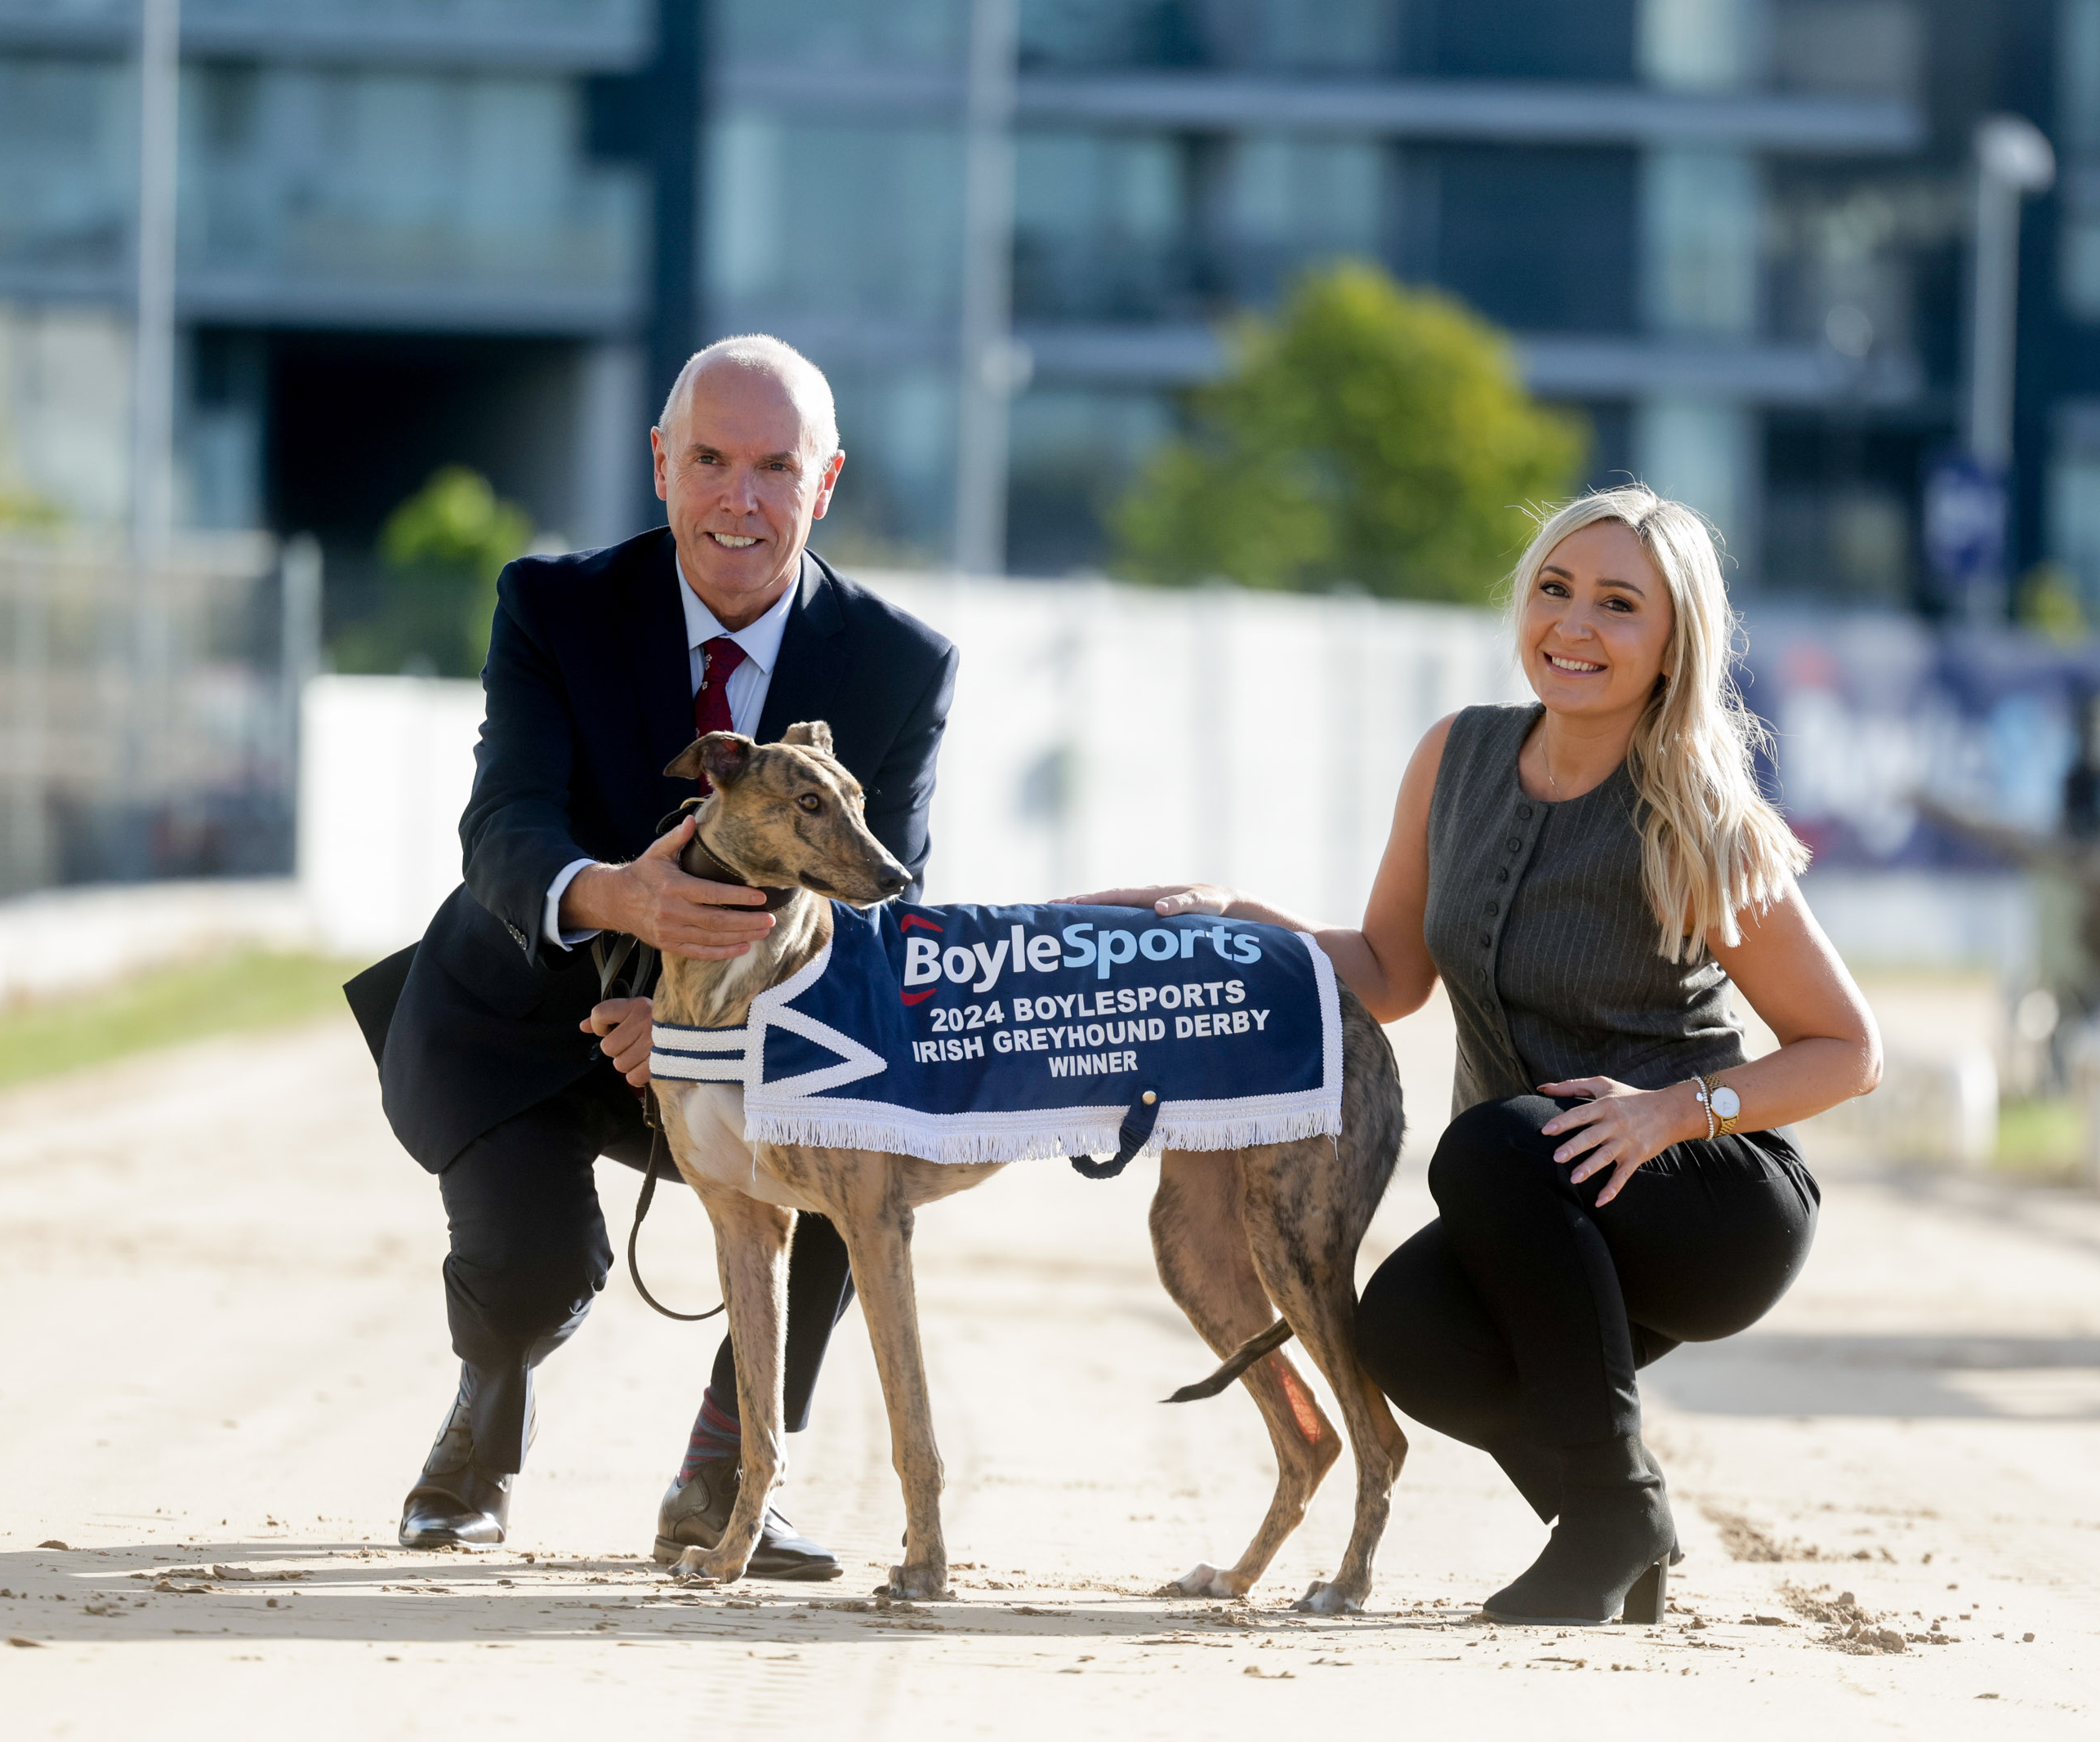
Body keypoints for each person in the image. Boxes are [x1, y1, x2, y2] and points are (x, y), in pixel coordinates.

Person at [1073, 485, 1877, 1624]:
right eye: (1554, 590)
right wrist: (1234, 917)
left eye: (1617, 605)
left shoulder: (1697, 811)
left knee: (1491, 1145)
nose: (1575, 625)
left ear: (1670, 644)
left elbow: (1849, 1049)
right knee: (1402, 1326)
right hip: (1540, 1197)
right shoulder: (1456, 756)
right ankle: (1624, 1513)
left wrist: (1667, 1112)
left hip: (1707, 1204)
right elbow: (1393, 973)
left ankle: (1605, 1520)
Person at [349, 335, 957, 1575]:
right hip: (526, 1014)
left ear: (824, 482)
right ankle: (482, 1425)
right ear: (661, 466)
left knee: (860, 1150)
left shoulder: (901, 662)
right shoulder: (551, 603)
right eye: (712, 460)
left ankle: (730, 1474)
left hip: (738, 1038)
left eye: (776, 468)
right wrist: (620, 900)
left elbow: (884, 906)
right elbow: (504, 826)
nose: (741, 498)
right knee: (530, 1269)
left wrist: (699, 1028)